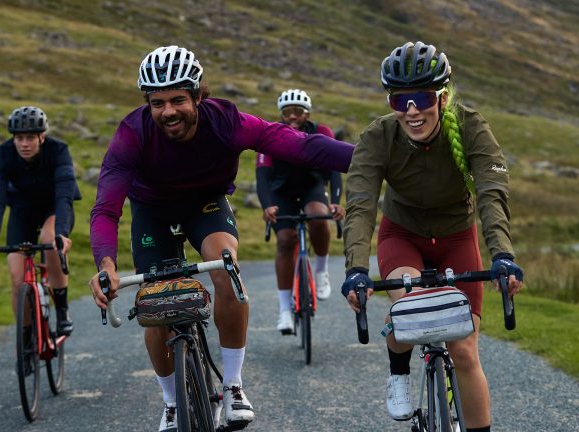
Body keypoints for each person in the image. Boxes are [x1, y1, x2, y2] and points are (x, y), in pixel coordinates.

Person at [89, 45, 354, 431]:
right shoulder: (132, 133)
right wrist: (106, 266)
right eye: (157, 102)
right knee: (155, 305)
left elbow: (301, 146)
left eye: (178, 99)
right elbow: (106, 208)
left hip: (205, 205)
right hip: (152, 212)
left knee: (226, 269)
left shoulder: (227, 121)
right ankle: (171, 403)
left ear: (198, 95)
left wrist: (368, 159)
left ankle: (232, 387)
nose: (168, 112)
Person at [340, 41, 524, 432]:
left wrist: (503, 256)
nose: (411, 110)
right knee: (413, 314)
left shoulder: (472, 127)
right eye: (399, 100)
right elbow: (360, 205)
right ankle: (399, 373)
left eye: (421, 97)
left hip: (457, 236)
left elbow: (492, 194)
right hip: (402, 234)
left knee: (464, 351)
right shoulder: (378, 137)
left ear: (441, 97)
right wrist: (356, 268)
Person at [0, 106, 81, 339]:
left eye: (30, 138)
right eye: (19, 138)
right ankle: (25, 338)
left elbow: (64, 196)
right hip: (22, 211)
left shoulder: (58, 150)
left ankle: (62, 310)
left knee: (49, 239)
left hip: (54, 208)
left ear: (41, 137)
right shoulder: (3, 154)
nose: (24, 144)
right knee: (17, 277)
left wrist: (62, 233)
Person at [256, 88, 345, 335]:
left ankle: (321, 270)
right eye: (287, 112)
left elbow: (336, 169)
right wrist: (266, 206)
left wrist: (336, 201)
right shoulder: (269, 134)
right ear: (281, 114)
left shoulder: (321, 132)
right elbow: (262, 177)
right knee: (285, 240)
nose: (292, 117)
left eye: (298, 111)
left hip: (312, 187)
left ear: (307, 113)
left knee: (318, 215)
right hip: (281, 192)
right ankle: (285, 310)